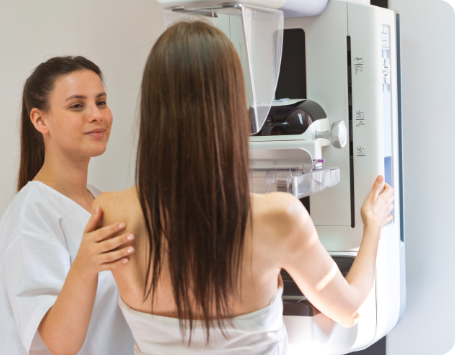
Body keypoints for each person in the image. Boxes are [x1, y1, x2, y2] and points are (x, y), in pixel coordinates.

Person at [93, 21, 394, 354]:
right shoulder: (279, 217)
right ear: (231, 106)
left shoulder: (110, 213)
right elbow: (348, 310)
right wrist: (373, 226)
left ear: (152, 108)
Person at [0, 56, 135, 355]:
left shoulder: (99, 202)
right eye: (77, 105)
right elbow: (58, 342)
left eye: (101, 102)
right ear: (40, 120)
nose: (96, 115)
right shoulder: (30, 217)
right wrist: (85, 265)